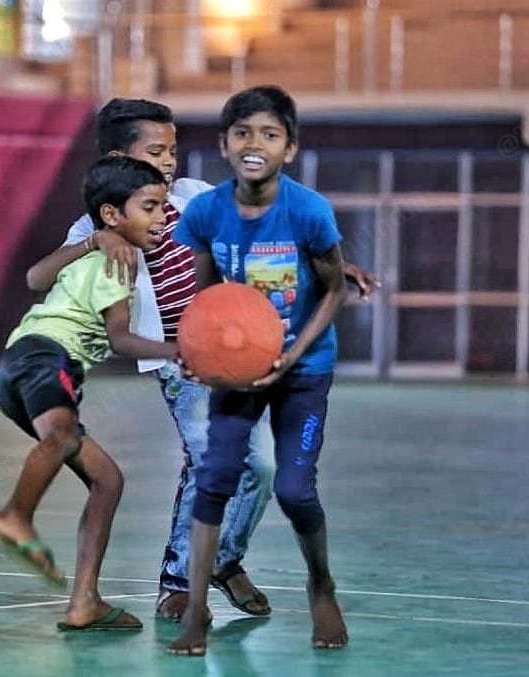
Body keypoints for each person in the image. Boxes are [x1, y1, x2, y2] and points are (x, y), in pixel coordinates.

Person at [26, 98, 379, 623]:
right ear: (120, 157)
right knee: (212, 459)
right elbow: (38, 277)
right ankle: (176, 581)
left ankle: (225, 559)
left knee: (263, 465)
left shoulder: (195, 197)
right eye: (156, 151)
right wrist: (94, 242)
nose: (170, 161)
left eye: (173, 149)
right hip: (180, 365)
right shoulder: (97, 225)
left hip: (238, 352)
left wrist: (329, 264)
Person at [167, 85, 349, 656]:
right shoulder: (205, 213)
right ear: (224, 144)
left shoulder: (309, 211)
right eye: (243, 133)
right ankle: (196, 609)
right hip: (237, 372)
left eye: (269, 134)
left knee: (294, 489)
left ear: (288, 149)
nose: (255, 144)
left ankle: (321, 584)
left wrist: (292, 357)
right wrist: (202, 356)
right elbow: (205, 296)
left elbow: (335, 290)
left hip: (302, 369)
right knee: (214, 478)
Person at [0, 155, 178, 632]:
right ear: (112, 215)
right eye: (150, 207)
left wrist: (89, 241)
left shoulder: (96, 252)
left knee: (107, 480)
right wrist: (179, 349)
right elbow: (120, 340)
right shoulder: (117, 259)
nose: (160, 218)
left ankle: (84, 603)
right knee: (65, 436)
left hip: (16, 367)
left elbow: (33, 279)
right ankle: (16, 514)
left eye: (163, 207)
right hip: (47, 358)